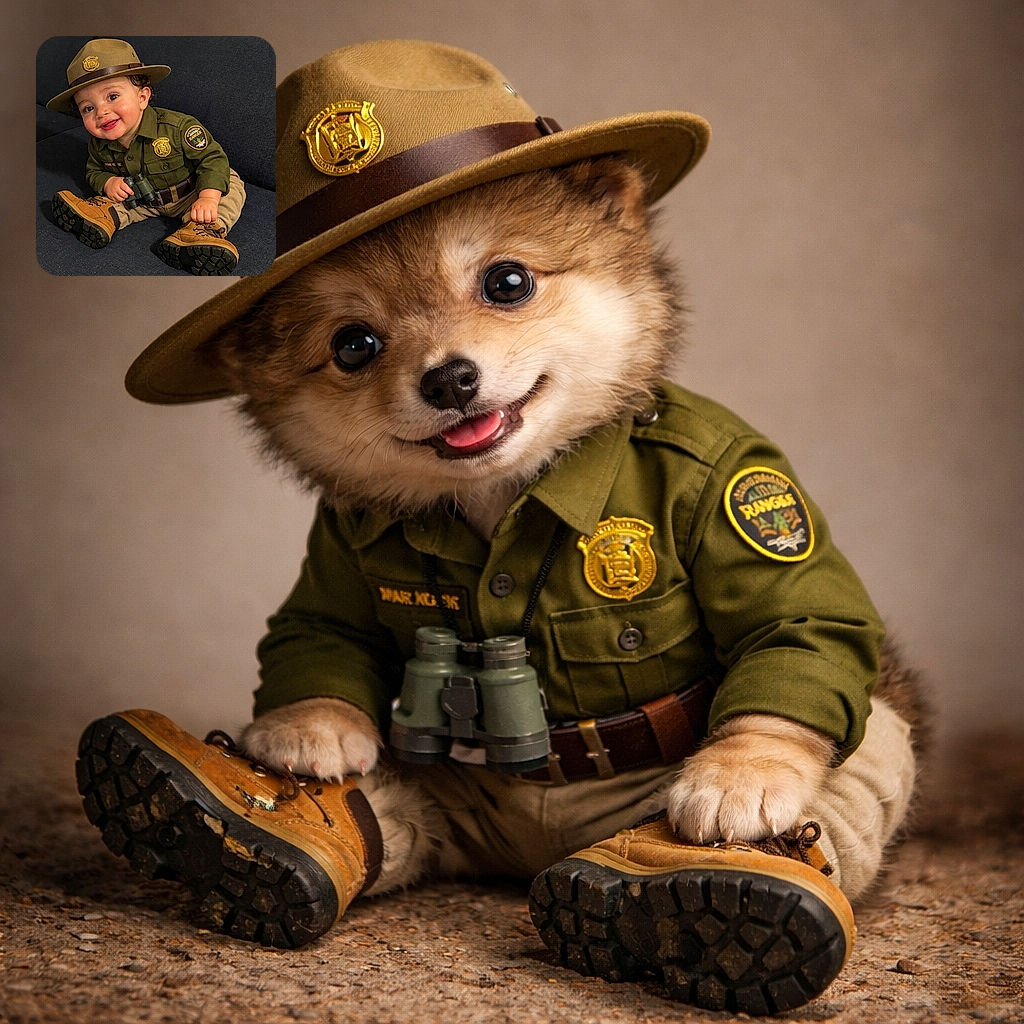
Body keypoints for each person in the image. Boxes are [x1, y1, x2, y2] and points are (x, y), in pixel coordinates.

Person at [46, 38, 244, 275]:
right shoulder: (99, 145)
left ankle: (200, 233)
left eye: (112, 97)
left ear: (143, 97)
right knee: (117, 200)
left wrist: (209, 198)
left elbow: (212, 159)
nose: (101, 112)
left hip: (192, 192)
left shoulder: (178, 128)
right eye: (88, 108)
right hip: (143, 200)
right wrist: (108, 182)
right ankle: (102, 217)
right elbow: (94, 170)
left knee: (230, 186)